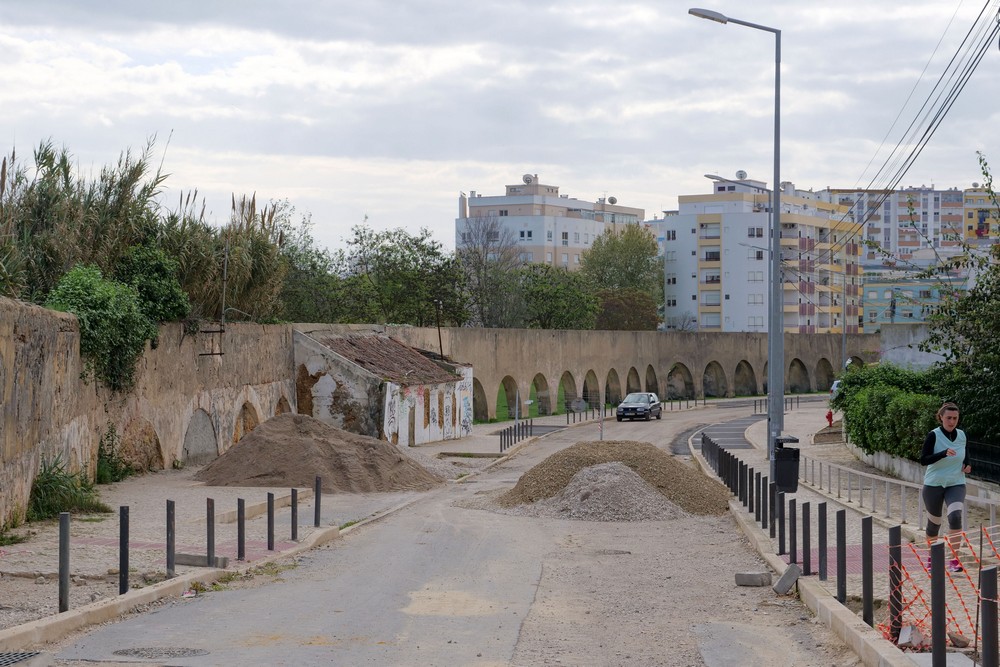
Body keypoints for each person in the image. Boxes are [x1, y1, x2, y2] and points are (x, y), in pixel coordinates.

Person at [920, 402, 972, 573]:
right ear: (941, 417)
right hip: (934, 484)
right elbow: (923, 459)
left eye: (955, 418)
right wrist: (942, 454)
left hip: (956, 482)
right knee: (934, 524)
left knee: (955, 516)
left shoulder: (962, 435)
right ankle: (931, 557)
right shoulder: (933, 435)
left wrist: (967, 464)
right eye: (948, 418)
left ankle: (954, 560)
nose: (952, 421)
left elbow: (966, 453)